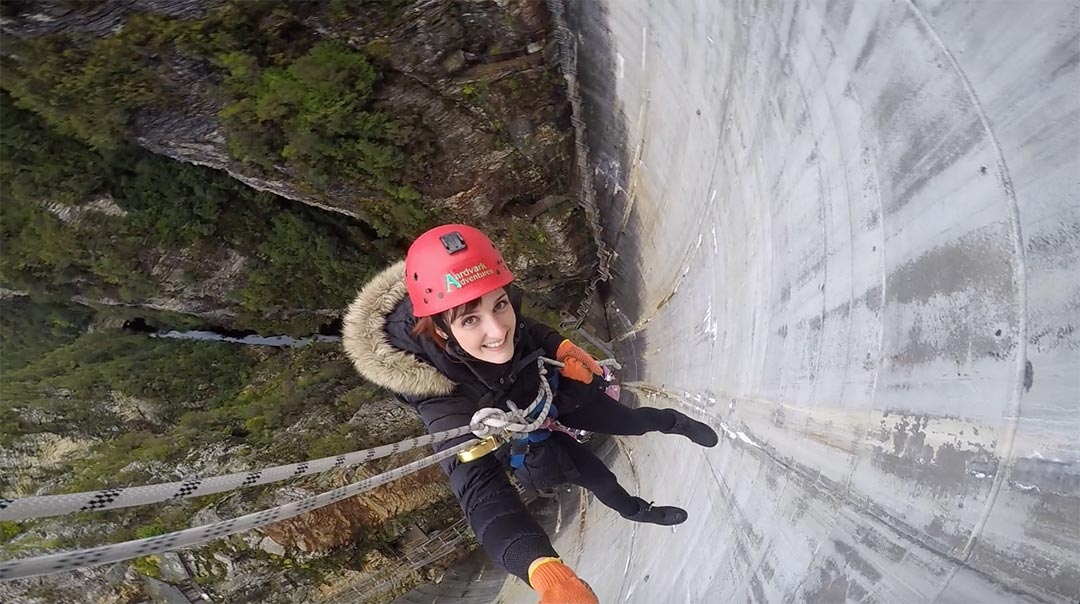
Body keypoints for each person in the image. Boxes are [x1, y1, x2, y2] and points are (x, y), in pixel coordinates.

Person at [343, 224, 717, 603]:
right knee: (602, 483)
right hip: (531, 434)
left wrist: (561, 344)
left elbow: (526, 331)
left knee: (633, 422)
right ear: (440, 328)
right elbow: (479, 492)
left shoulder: (487, 315)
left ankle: (674, 422)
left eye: (499, 305)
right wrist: (543, 571)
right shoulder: (439, 396)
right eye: (469, 320)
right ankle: (637, 511)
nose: (495, 331)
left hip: (555, 395)